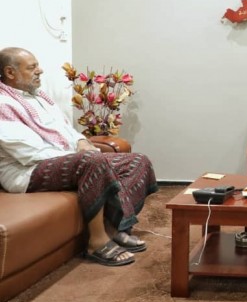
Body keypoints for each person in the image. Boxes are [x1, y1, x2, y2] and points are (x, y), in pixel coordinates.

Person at [0, 47, 158, 267]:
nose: (40, 70)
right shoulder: (3, 104)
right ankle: (97, 242)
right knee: (92, 161)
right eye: (32, 67)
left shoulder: (40, 97)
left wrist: (82, 141)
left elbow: (66, 130)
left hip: (63, 158)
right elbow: (29, 153)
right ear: (10, 72)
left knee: (138, 161)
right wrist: (80, 156)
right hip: (26, 171)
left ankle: (113, 228)